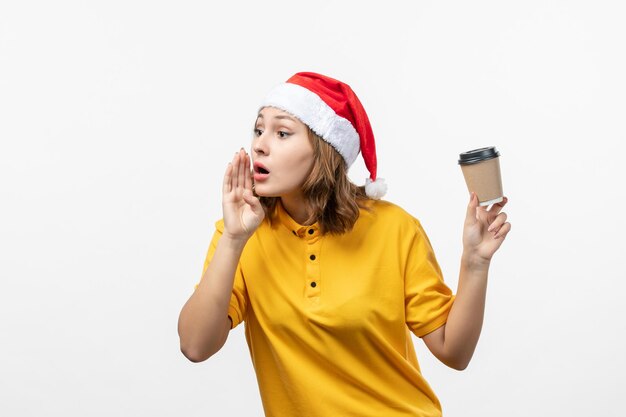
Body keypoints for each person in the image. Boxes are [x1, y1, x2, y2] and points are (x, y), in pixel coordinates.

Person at [177, 72, 511, 417]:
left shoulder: (394, 228)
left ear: (325, 149)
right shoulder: (242, 233)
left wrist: (475, 262)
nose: (260, 144)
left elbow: (453, 352)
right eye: (259, 130)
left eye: (282, 132)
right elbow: (195, 345)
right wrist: (233, 240)